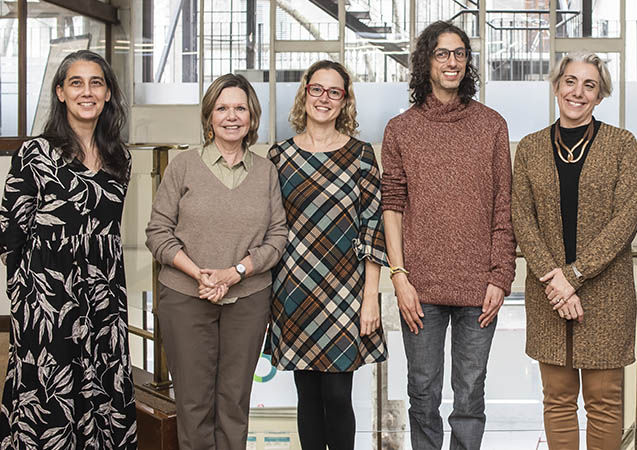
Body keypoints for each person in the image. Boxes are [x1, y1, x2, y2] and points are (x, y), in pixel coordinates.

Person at [381, 21, 517, 450]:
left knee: (470, 393)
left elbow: (503, 205)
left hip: (479, 286)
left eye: (459, 53)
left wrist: (500, 277)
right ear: (427, 61)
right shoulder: (400, 129)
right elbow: (392, 207)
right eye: (442, 53)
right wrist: (399, 277)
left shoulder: (491, 125)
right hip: (419, 288)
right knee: (422, 392)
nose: (452, 62)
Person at [0, 50, 137, 449]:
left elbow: (105, 233)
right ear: (60, 93)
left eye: (96, 83)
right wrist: (26, 299)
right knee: (50, 397)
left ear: (108, 93)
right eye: (76, 83)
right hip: (48, 301)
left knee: (101, 392)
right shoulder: (34, 154)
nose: (87, 92)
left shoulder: (119, 158)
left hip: (103, 297)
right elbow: (12, 231)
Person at [145, 73, 287, 450]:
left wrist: (234, 272)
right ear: (209, 116)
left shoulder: (266, 172)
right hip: (185, 298)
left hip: (248, 299)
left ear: (252, 117)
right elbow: (157, 232)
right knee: (193, 405)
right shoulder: (182, 166)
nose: (231, 116)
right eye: (222, 108)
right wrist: (200, 275)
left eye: (240, 108)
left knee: (234, 404)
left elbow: (277, 238)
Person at [511, 52, 637, 449]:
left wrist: (573, 276)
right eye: (570, 81)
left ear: (600, 95)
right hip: (548, 294)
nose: (578, 92)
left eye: (590, 85)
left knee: (604, 403)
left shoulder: (622, 144)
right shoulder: (531, 148)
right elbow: (522, 218)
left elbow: (627, 217)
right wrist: (556, 278)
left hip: (605, 295)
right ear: (556, 87)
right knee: (557, 401)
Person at [266, 60, 389, 450]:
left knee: (337, 395)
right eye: (317, 89)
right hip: (294, 289)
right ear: (305, 93)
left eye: (334, 92)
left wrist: (371, 297)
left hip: (345, 292)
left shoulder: (361, 155)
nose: (324, 98)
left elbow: (373, 226)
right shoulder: (279, 156)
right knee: (308, 395)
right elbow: (269, 227)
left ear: (344, 100)